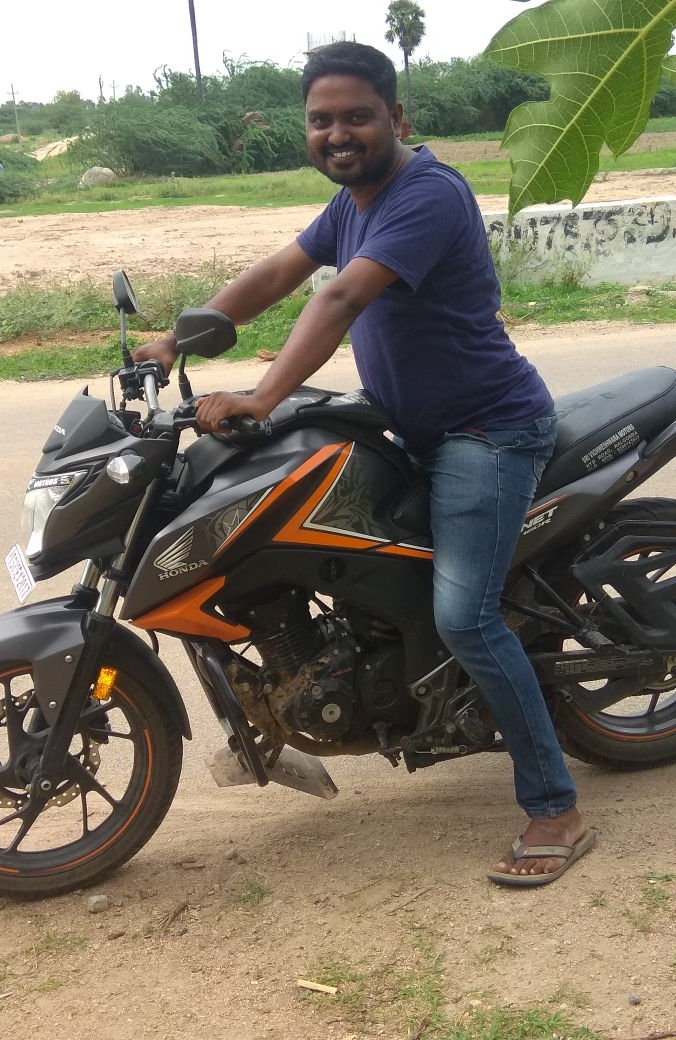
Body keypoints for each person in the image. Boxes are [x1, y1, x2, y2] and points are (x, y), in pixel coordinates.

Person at [134, 40, 595, 887]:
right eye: (322, 120)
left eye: (356, 117)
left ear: (397, 118)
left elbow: (341, 296)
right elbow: (280, 272)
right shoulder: (353, 202)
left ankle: (554, 808)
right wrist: (175, 339)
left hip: (486, 432)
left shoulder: (428, 193)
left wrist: (263, 394)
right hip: (409, 424)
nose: (337, 133)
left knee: (466, 618)